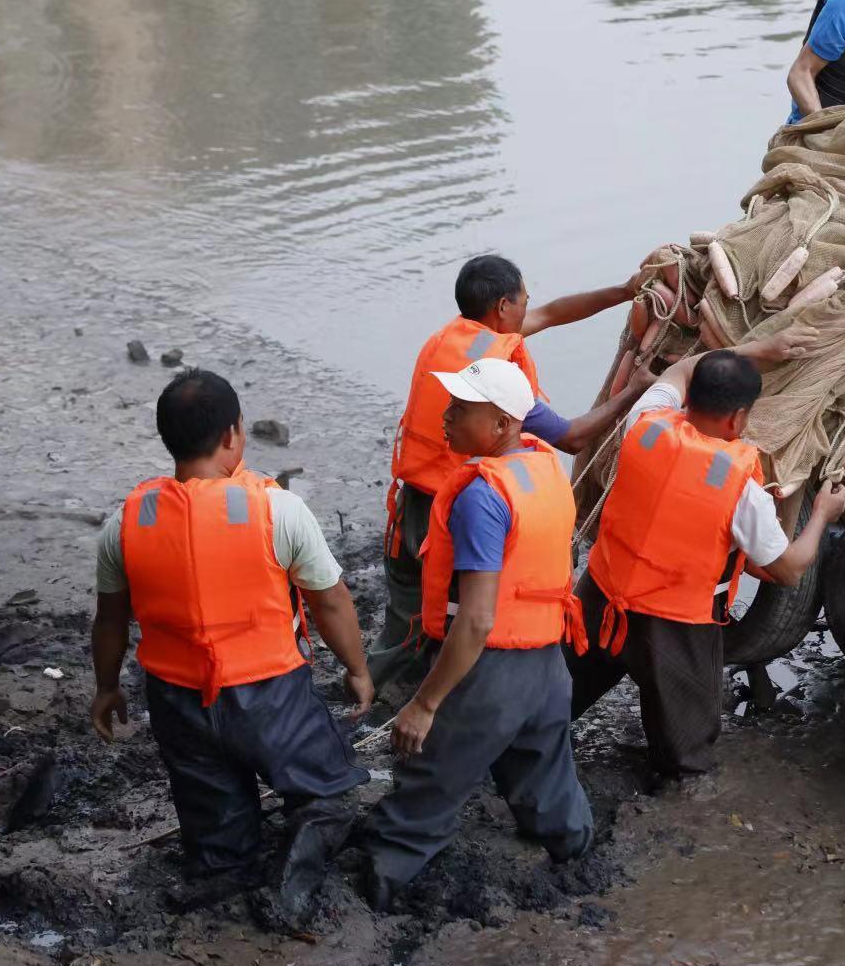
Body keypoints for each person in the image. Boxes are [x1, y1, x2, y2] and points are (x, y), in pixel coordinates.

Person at [91, 369, 373, 922]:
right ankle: (291, 890)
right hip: (272, 697)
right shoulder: (278, 511)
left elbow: (110, 621)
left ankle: (228, 876)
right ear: (232, 436)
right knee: (328, 795)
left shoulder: (125, 523)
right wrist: (358, 668)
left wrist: (105, 688)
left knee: (217, 831)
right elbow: (331, 603)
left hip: (177, 702)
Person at [353, 358, 594, 906]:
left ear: (505, 425)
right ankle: (574, 855)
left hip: (491, 674)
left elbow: (479, 618)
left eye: (462, 411)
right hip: (548, 667)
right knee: (546, 777)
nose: (447, 419)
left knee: (429, 781)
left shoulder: (482, 496)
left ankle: (378, 887)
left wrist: (425, 702)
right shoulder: (545, 469)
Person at [567, 338, 845, 784]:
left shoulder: (645, 423)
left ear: (690, 398)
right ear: (739, 418)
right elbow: (790, 569)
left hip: (600, 599)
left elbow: (678, 371)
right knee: (684, 752)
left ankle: (522, 749)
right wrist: (821, 515)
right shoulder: (740, 488)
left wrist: (760, 347)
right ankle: (674, 807)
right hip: (675, 627)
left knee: (556, 701)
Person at [369, 254, 647, 693]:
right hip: (453, 515)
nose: (528, 310)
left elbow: (553, 314)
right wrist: (634, 391)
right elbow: (572, 438)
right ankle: (420, 705)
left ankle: (374, 688)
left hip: (410, 503)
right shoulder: (496, 380)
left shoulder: (453, 337)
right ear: (502, 307)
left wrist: (625, 291)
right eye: (523, 301)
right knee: (450, 614)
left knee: (406, 614)